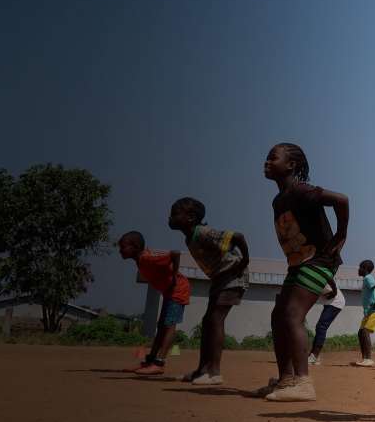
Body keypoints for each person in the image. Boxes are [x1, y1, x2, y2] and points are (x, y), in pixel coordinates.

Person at [260, 142, 349, 401]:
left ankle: (303, 383)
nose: (266, 161)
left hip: (320, 259)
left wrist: (341, 233)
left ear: (291, 165)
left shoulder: (301, 191)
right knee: (279, 317)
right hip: (299, 263)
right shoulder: (278, 200)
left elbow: (341, 200)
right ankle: (286, 380)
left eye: (272, 157)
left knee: (292, 314)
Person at [168, 197, 250, 385]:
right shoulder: (190, 237)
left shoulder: (203, 233)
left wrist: (245, 260)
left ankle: (213, 372)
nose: (170, 217)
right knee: (207, 322)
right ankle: (201, 370)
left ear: (190, 217)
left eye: (174, 213)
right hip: (220, 279)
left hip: (233, 276)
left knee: (215, 320)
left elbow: (238, 237)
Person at [118, 231, 190, 375]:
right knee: (161, 326)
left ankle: (159, 363)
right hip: (169, 292)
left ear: (135, 246)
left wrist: (175, 276)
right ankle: (150, 361)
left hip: (178, 290)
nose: (120, 250)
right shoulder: (141, 260)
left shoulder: (147, 258)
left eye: (123, 247)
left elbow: (175, 254)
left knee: (169, 325)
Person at [353, 259, 375, 367]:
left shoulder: (368, 278)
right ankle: (365, 358)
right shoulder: (366, 279)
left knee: (365, 332)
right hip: (369, 312)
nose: (358, 270)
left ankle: (369, 359)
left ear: (365, 269)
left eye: (360, 267)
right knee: (360, 332)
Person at [309, 280, 345, 366]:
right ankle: (314, 356)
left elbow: (329, 277)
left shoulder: (316, 270)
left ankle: (314, 356)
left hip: (336, 302)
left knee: (321, 327)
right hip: (330, 302)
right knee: (320, 327)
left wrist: (334, 291)